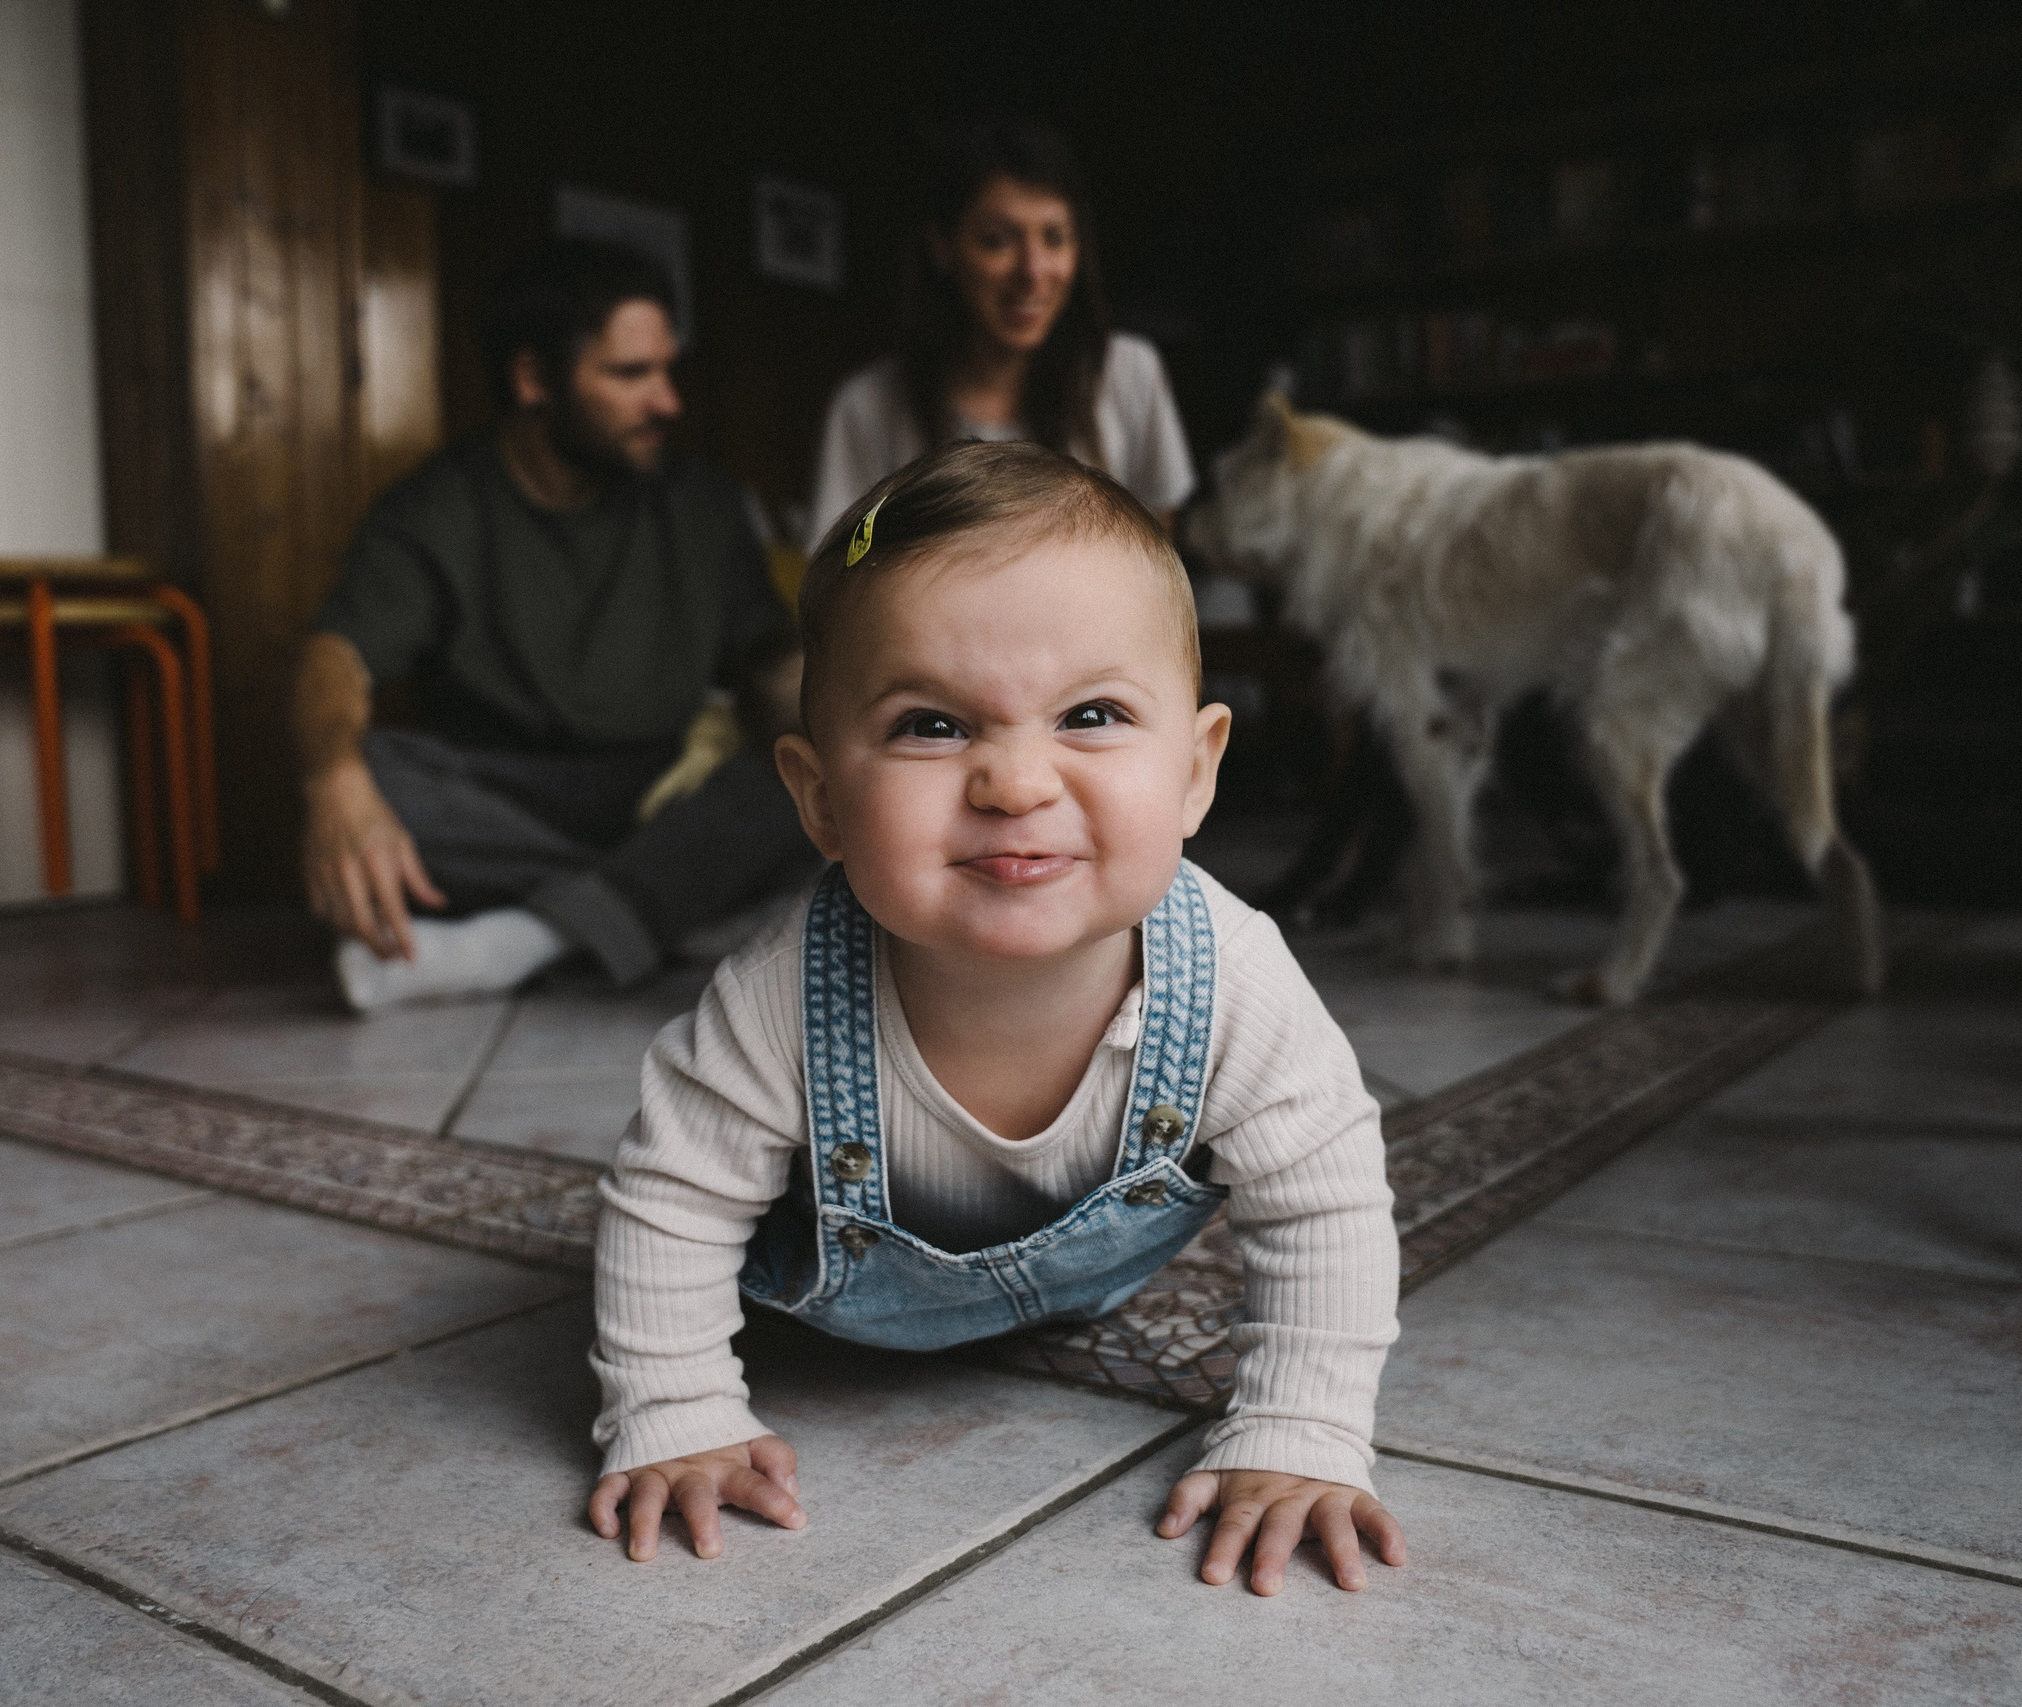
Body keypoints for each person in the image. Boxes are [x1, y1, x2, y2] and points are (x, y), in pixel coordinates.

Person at [586, 441, 1405, 1597]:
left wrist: (1301, 1429)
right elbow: (668, 1199)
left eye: (1092, 714)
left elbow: (1326, 1198)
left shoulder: (1230, 976)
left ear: (1195, 771)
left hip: (1089, 1285)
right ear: (820, 799)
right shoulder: (780, 996)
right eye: (931, 725)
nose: (1015, 784)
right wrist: (673, 1409)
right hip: (833, 1316)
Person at [293, 239, 811, 1011]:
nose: (668, 402)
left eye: (667, 370)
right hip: (505, 799)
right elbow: (336, 656)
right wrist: (334, 779)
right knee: (366, 774)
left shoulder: (702, 502)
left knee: (808, 772)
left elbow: (768, 664)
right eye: (631, 374)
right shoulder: (437, 507)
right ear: (534, 380)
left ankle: (519, 942)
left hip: (665, 788)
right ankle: (664, 905)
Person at [808, 118, 1194, 544]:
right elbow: (838, 566)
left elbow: (1159, 548)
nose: (1033, 271)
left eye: (1055, 238)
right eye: (997, 240)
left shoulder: (1129, 372)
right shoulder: (869, 406)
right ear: (943, 246)